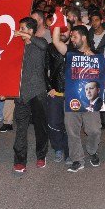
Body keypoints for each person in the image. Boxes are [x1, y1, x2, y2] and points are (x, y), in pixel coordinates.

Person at [52, 25, 102, 173]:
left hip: (91, 100)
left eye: (74, 37)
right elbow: (56, 41)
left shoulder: (97, 53)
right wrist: (57, 20)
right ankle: (77, 159)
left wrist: (92, 57)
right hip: (72, 98)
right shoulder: (70, 53)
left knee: (94, 130)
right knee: (72, 130)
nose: (71, 39)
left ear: (84, 37)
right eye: (71, 36)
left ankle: (92, 151)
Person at [11, 17, 49, 174]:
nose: (20, 31)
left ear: (31, 30)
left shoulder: (39, 43)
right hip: (20, 94)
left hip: (38, 92)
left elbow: (44, 45)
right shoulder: (15, 46)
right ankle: (20, 160)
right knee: (21, 128)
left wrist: (29, 37)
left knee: (40, 127)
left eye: (23, 28)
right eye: (19, 28)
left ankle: (41, 155)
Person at [45, 26, 70, 163]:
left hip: (72, 94)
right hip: (55, 93)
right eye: (59, 31)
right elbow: (45, 69)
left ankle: (69, 152)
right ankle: (58, 148)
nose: (62, 33)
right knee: (54, 123)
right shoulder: (50, 48)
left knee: (69, 125)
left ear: (71, 32)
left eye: (65, 30)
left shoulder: (75, 48)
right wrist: (49, 87)